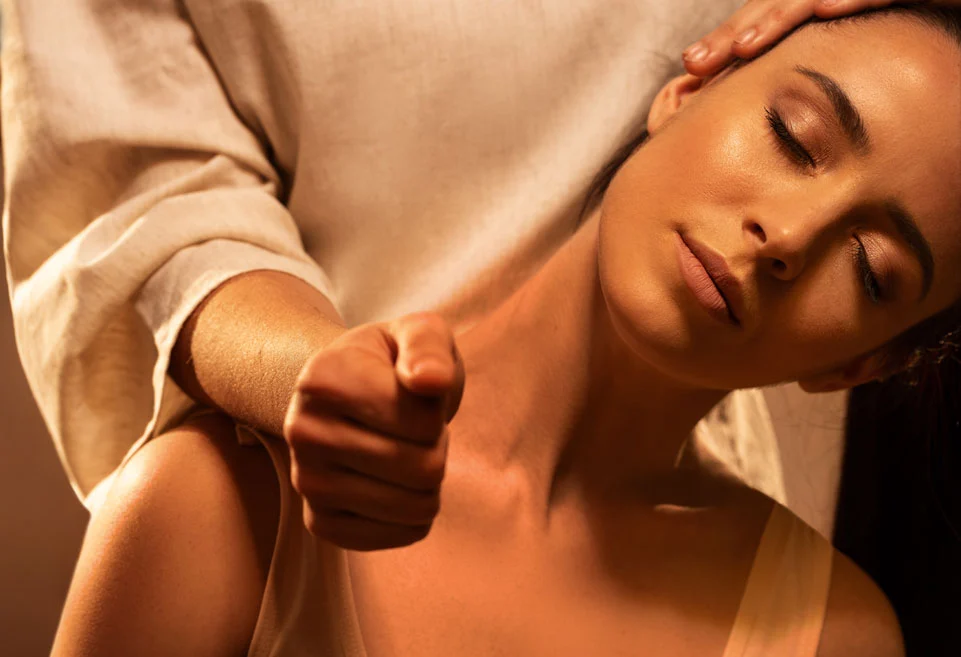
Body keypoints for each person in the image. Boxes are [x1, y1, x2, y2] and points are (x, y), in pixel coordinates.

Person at [48, 5, 961, 656]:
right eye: (793, 136)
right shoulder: (222, 506)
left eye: (873, 270)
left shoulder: (828, 636)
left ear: (860, 364)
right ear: (692, 84)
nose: (789, 238)